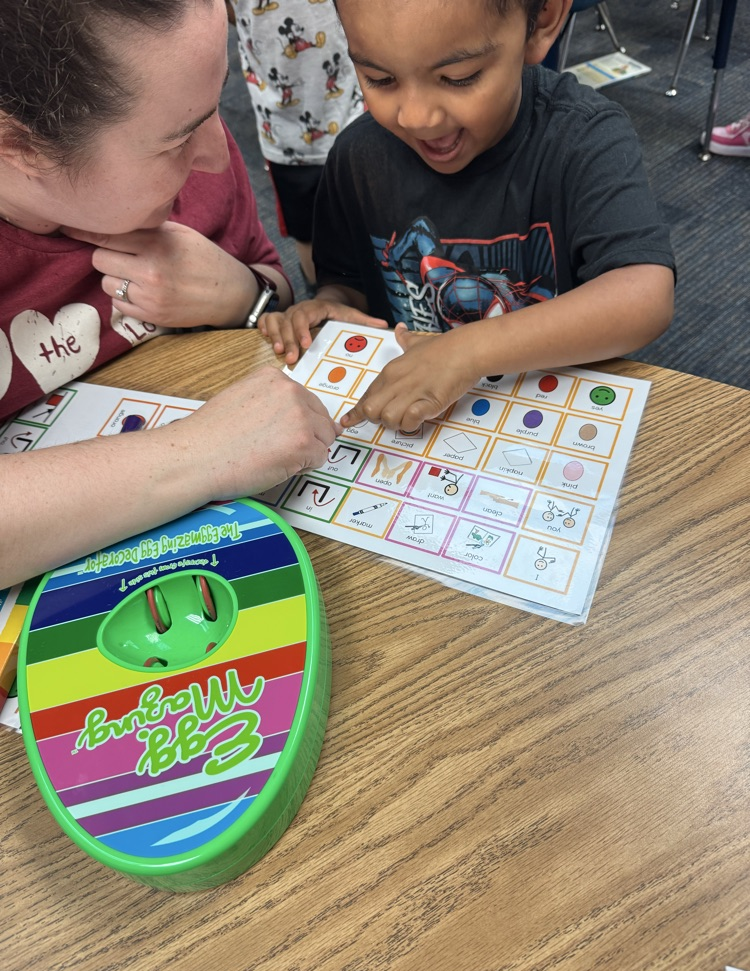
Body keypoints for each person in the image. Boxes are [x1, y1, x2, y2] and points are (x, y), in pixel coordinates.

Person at [0, 0, 349, 590]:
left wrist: (242, 294)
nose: (220, 152)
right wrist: (200, 454)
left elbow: (275, 286)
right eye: (177, 141)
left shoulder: (192, 145)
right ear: (20, 147)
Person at [259, 0, 676, 434]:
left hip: (547, 417)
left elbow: (644, 295)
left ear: (544, 19)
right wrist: (332, 307)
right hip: (420, 431)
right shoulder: (357, 158)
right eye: (379, 79)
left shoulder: (584, 139)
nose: (416, 117)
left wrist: (467, 351)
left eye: (459, 78)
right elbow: (348, 284)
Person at [227, 0, 362, 294]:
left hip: (353, 104)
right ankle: (317, 291)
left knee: (366, 214)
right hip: (285, 134)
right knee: (307, 230)